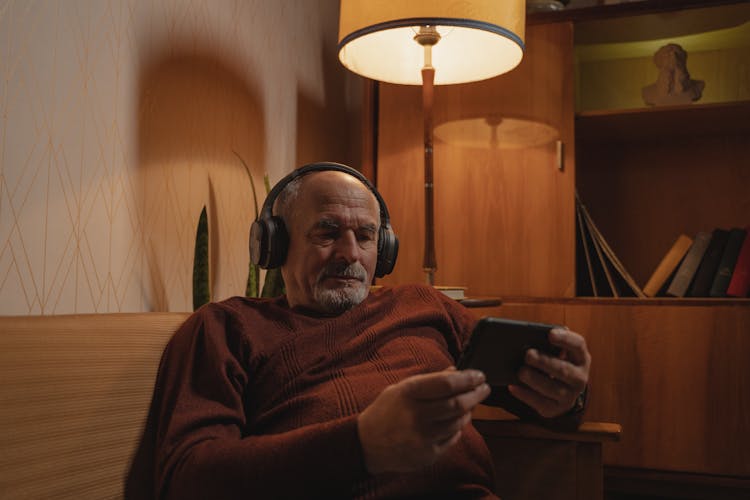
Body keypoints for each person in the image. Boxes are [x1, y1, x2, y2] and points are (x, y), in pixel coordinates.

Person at [126, 162, 591, 499]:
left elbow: (530, 396)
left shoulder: (426, 306)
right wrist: (361, 444)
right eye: (327, 232)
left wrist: (564, 395)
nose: (350, 254)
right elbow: (188, 478)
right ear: (275, 245)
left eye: (366, 236)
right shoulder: (226, 328)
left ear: (383, 249)